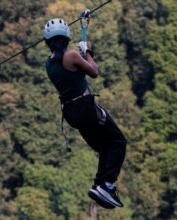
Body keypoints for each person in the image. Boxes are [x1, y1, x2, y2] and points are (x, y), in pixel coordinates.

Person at [43, 18, 127, 209]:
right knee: (118, 142)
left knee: (105, 147)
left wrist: (81, 54)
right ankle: (107, 184)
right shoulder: (72, 56)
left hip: (72, 114)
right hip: (86, 108)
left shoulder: (48, 65)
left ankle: (99, 184)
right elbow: (94, 71)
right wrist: (87, 51)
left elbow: (71, 72)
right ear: (66, 38)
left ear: (47, 41)